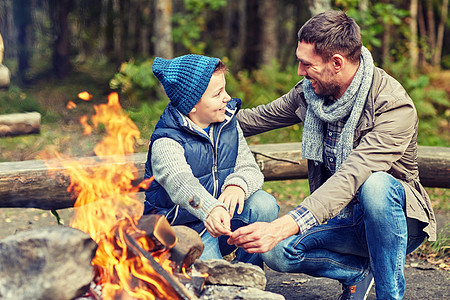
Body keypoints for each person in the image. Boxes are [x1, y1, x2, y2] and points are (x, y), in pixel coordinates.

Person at [228, 10, 436, 300]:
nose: (299, 71)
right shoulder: (309, 93)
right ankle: (356, 273)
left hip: (395, 221)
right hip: (342, 218)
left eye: (306, 63)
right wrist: (199, 115)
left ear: (336, 63)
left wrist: (283, 225)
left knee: (376, 184)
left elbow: (353, 175)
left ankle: (389, 295)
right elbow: (254, 119)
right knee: (275, 252)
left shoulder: (393, 106)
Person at [143, 54, 279, 268]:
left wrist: (237, 185)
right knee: (213, 276)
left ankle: (250, 271)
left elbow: (250, 168)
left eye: (224, 90)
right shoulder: (167, 141)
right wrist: (210, 208)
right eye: (217, 94)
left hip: (221, 221)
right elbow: (181, 183)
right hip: (182, 231)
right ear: (192, 105)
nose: (227, 98)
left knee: (264, 204)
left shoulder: (227, 125)